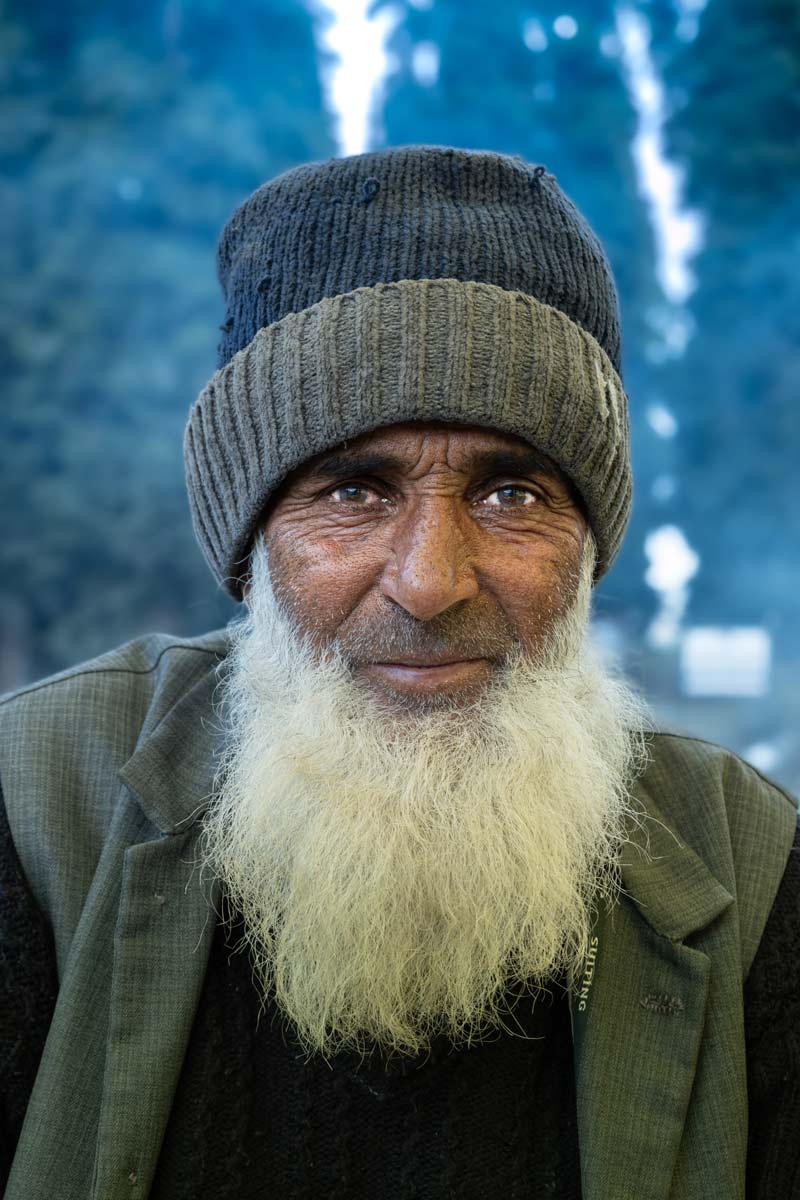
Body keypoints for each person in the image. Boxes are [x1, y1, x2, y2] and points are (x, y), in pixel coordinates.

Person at [1, 145, 797, 1200]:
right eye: (352, 490)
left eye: (512, 494)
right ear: (252, 550)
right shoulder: (38, 807)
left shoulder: (741, 863)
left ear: (588, 550)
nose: (429, 583)